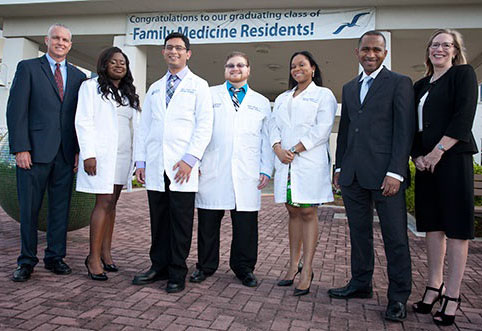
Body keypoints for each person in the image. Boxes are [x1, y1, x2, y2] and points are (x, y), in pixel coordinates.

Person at [328, 30, 415, 322]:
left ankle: (398, 297)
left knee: (395, 238)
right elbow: (345, 132)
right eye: (365, 49)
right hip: (353, 175)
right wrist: (339, 167)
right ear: (357, 52)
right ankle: (361, 283)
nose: (371, 54)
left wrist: (396, 172)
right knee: (359, 234)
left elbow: (404, 131)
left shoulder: (400, 83)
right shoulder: (350, 87)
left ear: (385, 53)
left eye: (377, 50)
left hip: (385, 176)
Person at [132, 32, 213, 293]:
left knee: (181, 222)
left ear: (188, 54)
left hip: (182, 167)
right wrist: (141, 162)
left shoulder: (199, 85)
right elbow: (145, 128)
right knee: (158, 220)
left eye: (179, 48)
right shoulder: (155, 87)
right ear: (163, 53)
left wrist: (191, 159)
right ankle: (159, 266)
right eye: (169, 48)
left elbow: (204, 125)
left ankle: (177, 271)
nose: (174, 52)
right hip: (156, 164)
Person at [6, 24, 86, 282]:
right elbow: (16, 111)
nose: (60, 42)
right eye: (56, 38)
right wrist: (21, 148)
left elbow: (77, 118)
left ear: (70, 45)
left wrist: (76, 151)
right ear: (47, 40)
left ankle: (55, 257)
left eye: (65, 39)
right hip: (33, 154)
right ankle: (26, 261)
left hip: (64, 154)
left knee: (60, 209)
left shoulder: (78, 76)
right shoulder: (28, 68)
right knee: (29, 209)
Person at [411, 29, 478, 326]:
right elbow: (413, 126)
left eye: (446, 45)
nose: (439, 49)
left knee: (456, 228)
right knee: (433, 227)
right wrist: (417, 156)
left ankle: (452, 294)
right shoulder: (420, 85)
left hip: (452, 159)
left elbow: (463, 117)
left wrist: (437, 153)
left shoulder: (462, 75)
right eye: (435, 45)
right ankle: (433, 286)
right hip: (426, 163)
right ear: (428, 51)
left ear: (455, 50)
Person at [190, 51, 273, 287]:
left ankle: (244, 268)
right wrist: (194, 161)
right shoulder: (209, 94)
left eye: (240, 65)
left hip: (247, 171)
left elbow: (266, 138)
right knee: (208, 222)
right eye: (230, 65)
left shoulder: (260, 102)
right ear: (225, 70)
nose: (235, 69)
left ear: (249, 69)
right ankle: (205, 266)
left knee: (246, 224)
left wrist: (266, 168)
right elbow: (199, 129)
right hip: (212, 168)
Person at [270, 51, 337, 296]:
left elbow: (323, 128)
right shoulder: (282, 97)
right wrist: (277, 148)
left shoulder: (323, 95)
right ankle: (292, 265)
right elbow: (273, 125)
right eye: (293, 66)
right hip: (285, 161)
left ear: (313, 69)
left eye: (302, 65)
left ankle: (307, 268)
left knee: (308, 210)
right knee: (292, 210)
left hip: (307, 160)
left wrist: (296, 149)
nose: (297, 69)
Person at [75, 47, 140, 281]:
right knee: (102, 203)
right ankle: (92, 257)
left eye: (123, 62)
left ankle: (106, 253)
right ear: (104, 64)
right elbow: (83, 121)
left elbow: (135, 128)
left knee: (112, 204)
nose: (119, 65)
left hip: (122, 157)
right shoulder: (90, 88)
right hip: (101, 157)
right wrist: (88, 154)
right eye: (114, 62)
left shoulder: (127, 93)